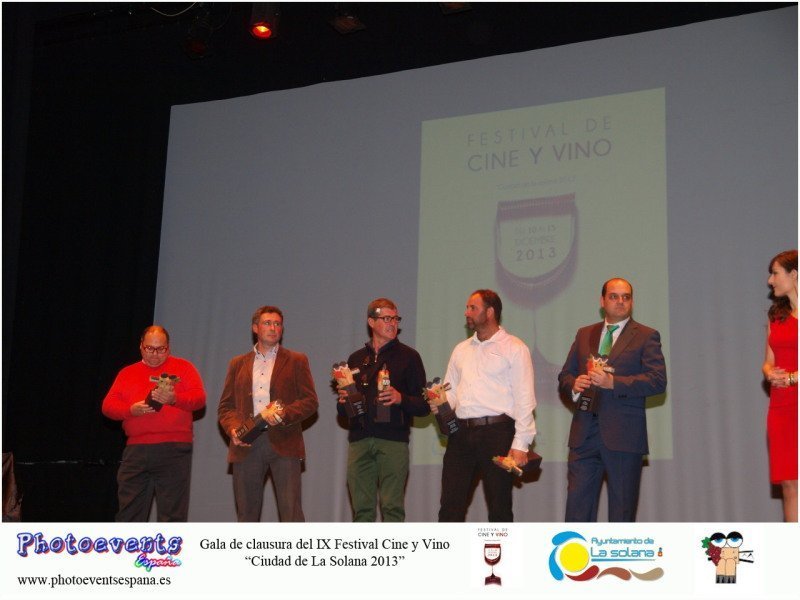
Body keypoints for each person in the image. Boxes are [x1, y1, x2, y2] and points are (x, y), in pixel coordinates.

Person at [558, 278, 667, 522]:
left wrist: (613, 383)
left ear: (632, 302)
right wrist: (574, 385)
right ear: (602, 301)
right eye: (614, 296)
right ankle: (576, 549)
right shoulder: (584, 334)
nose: (620, 301)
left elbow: (657, 380)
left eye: (626, 297)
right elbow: (565, 375)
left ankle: (618, 551)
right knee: (577, 511)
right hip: (584, 435)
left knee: (621, 514)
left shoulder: (646, 335)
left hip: (624, 436)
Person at [437, 289, 537, 522]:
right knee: (450, 505)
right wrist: (440, 403)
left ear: (490, 312)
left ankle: (500, 548)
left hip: (497, 433)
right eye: (467, 308)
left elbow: (525, 399)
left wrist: (521, 444)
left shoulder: (515, 347)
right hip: (460, 434)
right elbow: (450, 390)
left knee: (499, 506)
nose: (466, 312)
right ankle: (447, 548)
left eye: (473, 308)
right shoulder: (461, 349)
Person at [218, 306, 318, 522]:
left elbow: (310, 402)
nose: (273, 328)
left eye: (277, 324)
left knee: (291, 513)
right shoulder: (237, 363)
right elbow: (226, 407)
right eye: (267, 323)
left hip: (285, 441)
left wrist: (283, 413)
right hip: (247, 444)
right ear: (255, 328)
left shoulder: (296, 360)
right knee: (246, 514)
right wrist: (234, 429)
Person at [337, 298, 428, 521]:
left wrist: (400, 398)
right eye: (387, 318)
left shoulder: (409, 357)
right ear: (371, 322)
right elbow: (343, 413)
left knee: (392, 508)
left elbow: (424, 405)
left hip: (393, 442)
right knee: (361, 510)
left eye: (395, 319)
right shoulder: (356, 359)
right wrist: (344, 401)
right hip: (359, 441)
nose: (393, 323)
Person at [102, 325, 206, 521]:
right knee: (129, 514)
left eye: (161, 349)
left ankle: (168, 544)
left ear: (169, 347)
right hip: (136, 450)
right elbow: (107, 406)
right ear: (141, 346)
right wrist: (130, 410)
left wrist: (175, 399)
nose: (155, 354)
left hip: (174, 448)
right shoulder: (127, 373)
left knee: (172, 515)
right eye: (150, 348)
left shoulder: (184, 367)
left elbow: (200, 398)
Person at [762, 249, 798, 522]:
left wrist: (793, 377)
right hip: (782, 406)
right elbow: (768, 361)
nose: (770, 280)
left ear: (794, 274)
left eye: (775, 273)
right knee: (789, 483)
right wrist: (769, 373)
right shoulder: (776, 316)